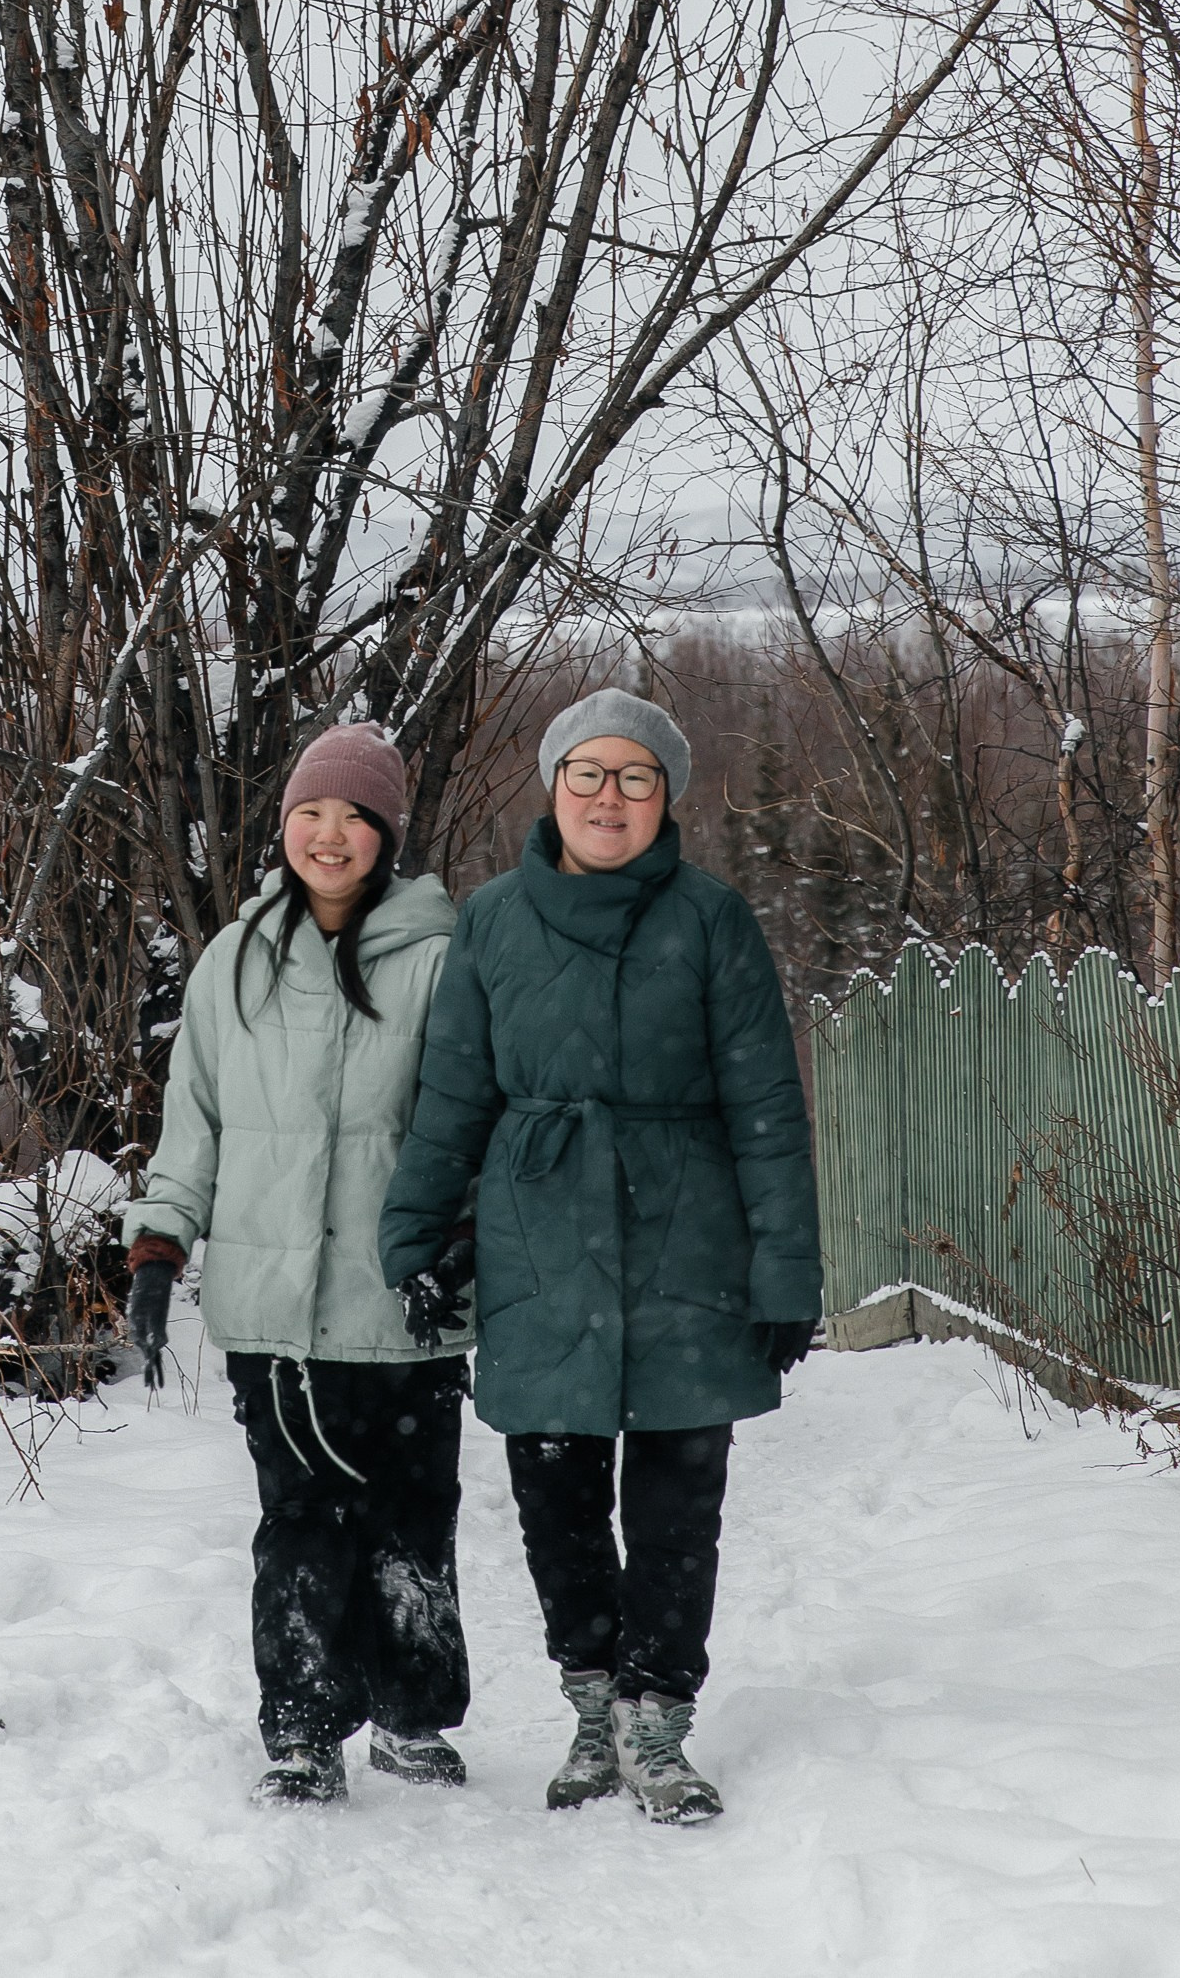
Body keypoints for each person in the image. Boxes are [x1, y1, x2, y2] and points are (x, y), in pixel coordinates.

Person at [380, 687, 820, 1829]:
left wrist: (784, 1272)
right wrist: (415, 1233)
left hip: (688, 1239)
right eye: (587, 773)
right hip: (538, 1240)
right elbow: (451, 1095)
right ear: (552, 784)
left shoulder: (711, 918)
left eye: (632, 775)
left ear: (665, 793)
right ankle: (591, 1704)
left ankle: (654, 1721)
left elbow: (765, 1105)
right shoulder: (488, 919)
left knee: (679, 1500)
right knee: (556, 1496)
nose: (607, 796)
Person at [122, 722, 474, 1809]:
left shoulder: (442, 956)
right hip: (270, 1311)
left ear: (385, 834)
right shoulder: (233, 960)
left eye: (353, 816)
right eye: (310, 813)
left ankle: (412, 1713)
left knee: (412, 1515)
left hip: (400, 1297)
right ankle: (302, 1727)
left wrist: (461, 1241)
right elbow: (195, 1124)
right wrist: (156, 1243)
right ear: (285, 826)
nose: (329, 833)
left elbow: (466, 1123)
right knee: (298, 1521)